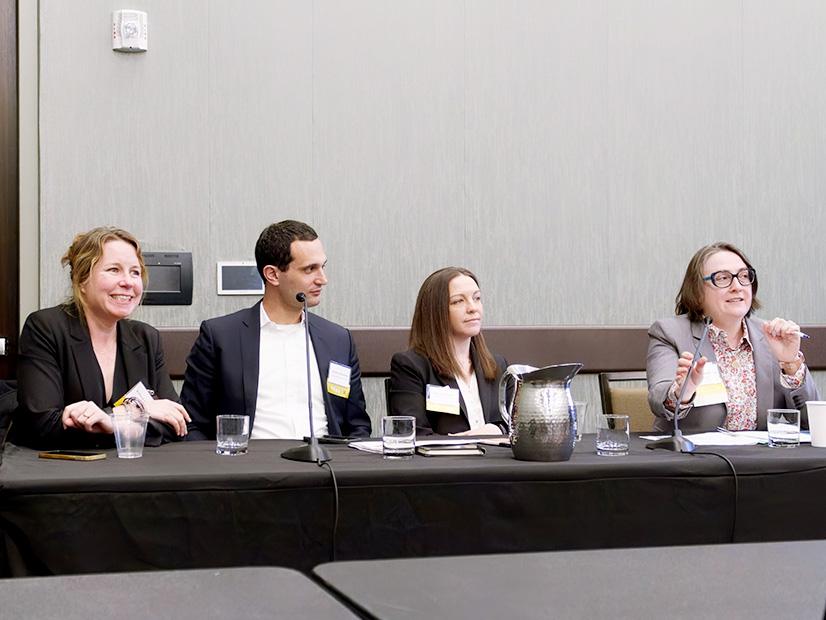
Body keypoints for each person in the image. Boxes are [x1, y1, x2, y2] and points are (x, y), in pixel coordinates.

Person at [181, 220, 370, 440]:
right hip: (250, 466)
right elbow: (192, 424)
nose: (323, 280)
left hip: (326, 465)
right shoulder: (220, 337)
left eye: (322, 267)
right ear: (272, 275)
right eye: (310, 269)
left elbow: (358, 426)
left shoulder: (338, 339)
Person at [14, 227, 190, 449]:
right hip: (61, 474)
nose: (128, 282)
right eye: (114, 270)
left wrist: (111, 422)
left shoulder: (146, 338)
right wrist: (134, 411)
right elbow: (44, 426)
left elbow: (175, 422)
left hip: (133, 472)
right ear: (82, 281)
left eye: (135, 272)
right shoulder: (46, 328)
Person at [647, 242, 820, 433]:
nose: (737, 286)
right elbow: (658, 400)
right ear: (696, 293)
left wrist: (790, 364)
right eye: (722, 278)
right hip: (694, 459)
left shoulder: (773, 337)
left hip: (761, 460)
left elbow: (813, 423)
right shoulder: (669, 332)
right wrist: (683, 392)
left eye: (744, 276)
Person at [389, 267, 508, 436]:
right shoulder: (410, 366)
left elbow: (518, 426)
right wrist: (461, 442)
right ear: (436, 312)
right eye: (459, 301)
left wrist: (497, 430)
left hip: (495, 461)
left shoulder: (499, 366)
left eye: (477, 298)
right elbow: (414, 434)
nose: (473, 308)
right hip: (445, 462)